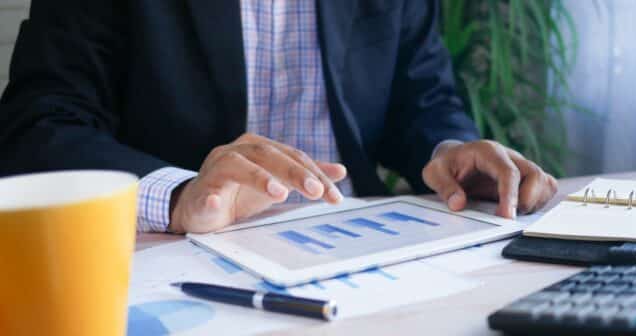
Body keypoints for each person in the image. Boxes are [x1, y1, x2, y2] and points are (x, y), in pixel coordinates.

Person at [0, 0, 557, 234]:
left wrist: (449, 150)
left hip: (354, 245)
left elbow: (422, 101)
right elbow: (39, 124)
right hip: (176, 254)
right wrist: (181, 196)